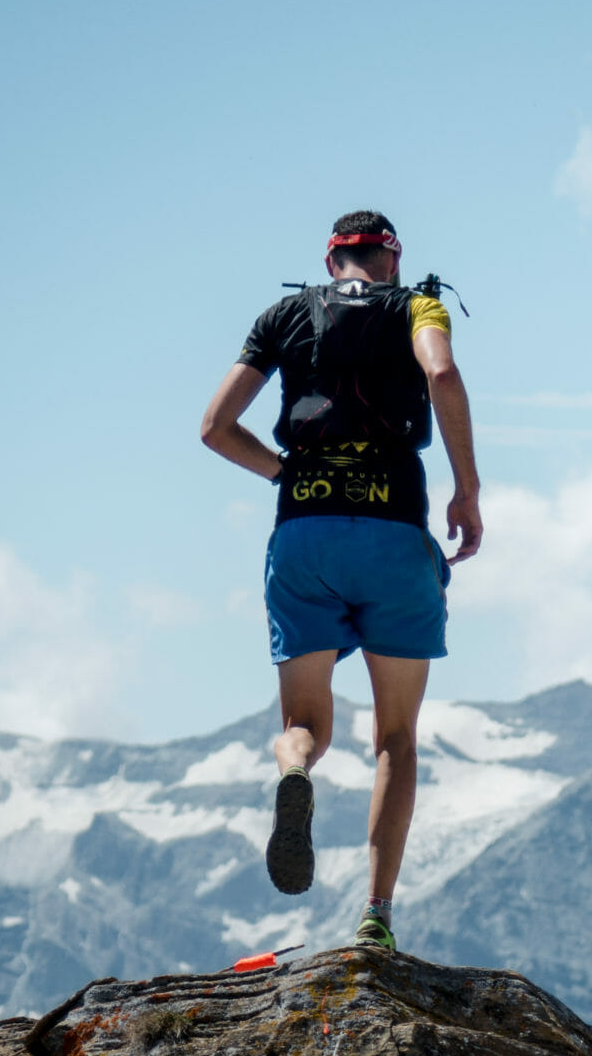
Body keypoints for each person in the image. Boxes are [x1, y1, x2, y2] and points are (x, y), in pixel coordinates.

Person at [198, 210, 481, 952]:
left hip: (305, 535)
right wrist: (466, 490)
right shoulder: (417, 304)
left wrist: (284, 472)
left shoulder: (286, 314)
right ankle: (375, 916)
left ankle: (294, 768)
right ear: (390, 261)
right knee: (395, 735)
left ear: (331, 262)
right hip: (393, 531)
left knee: (304, 725)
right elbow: (442, 372)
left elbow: (215, 426)